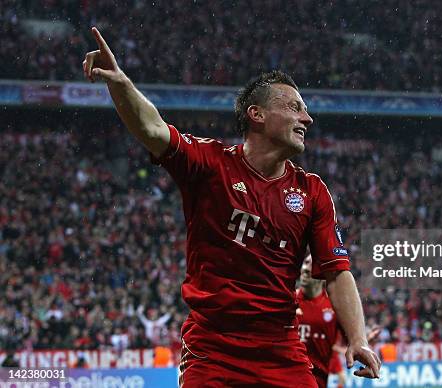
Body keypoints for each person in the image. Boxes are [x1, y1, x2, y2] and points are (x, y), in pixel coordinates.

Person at [83, 27, 380, 387]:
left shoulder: (312, 191)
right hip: (213, 349)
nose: (308, 119)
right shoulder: (210, 165)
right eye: (295, 108)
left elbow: (336, 272)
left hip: (280, 349)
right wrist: (120, 83)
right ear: (256, 114)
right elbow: (153, 129)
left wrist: (358, 339)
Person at [297, 254, 381, 388]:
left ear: (322, 272)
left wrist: (363, 341)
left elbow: (350, 342)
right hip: (288, 375)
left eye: (310, 264)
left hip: (317, 381)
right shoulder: (289, 300)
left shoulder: (335, 307)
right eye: (305, 263)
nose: (305, 268)